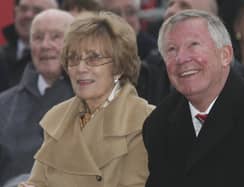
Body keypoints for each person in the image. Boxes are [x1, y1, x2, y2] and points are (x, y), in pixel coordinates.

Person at [143, 10, 244, 187]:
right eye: (171, 49)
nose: (181, 58)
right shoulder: (158, 124)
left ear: (225, 55)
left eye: (193, 45)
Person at [19, 11, 154, 187]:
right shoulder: (57, 118)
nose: (80, 68)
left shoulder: (144, 121)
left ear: (119, 66)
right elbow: (36, 182)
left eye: (94, 58)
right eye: (73, 58)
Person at [0, 9, 74, 186]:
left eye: (56, 36)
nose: (45, 45)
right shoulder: (4, 104)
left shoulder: (93, 101)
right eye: (38, 37)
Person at [0, 0, 58, 91]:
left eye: (37, 10)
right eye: (23, 9)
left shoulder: (62, 61)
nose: (28, 15)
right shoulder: (2, 55)